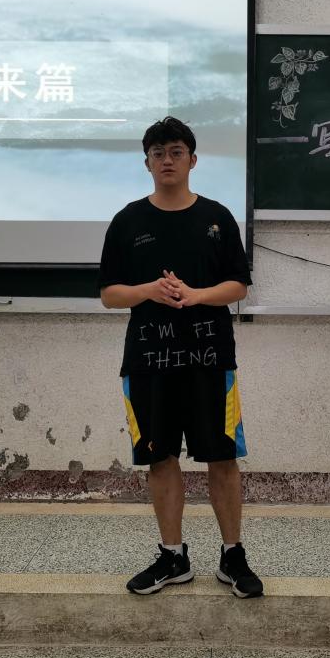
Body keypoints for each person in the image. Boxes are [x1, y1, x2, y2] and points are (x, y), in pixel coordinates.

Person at [98, 116, 262, 599]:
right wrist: (149, 290)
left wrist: (196, 295)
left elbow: (239, 285)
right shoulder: (128, 221)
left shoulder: (217, 217)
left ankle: (232, 555)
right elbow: (109, 294)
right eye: (158, 154)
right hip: (149, 361)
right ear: (146, 163)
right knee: (161, 457)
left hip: (210, 359)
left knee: (222, 457)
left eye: (175, 152)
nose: (166, 160)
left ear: (192, 160)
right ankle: (173, 556)